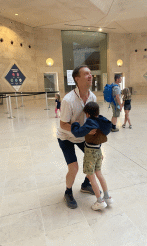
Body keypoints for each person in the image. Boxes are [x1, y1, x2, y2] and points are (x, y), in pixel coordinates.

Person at [57, 65, 97, 209]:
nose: (90, 76)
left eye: (90, 74)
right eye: (86, 74)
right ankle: (68, 192)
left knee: (97, 158)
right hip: (66, 137)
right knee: (74, 167)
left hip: (82, 136)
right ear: (77, 79)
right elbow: (63, 124)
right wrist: (81, 130)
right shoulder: (68, 100)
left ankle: (86, 185)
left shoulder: (92, 97)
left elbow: (92, 118)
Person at [71, 101, 113, 210]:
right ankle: (107, 196)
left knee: (91, 176)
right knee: (99, 173)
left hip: (90, 153)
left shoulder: (90, 123)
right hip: (99, 151)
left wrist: (75, 123)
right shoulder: (102, 120)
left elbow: (77, 133)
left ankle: (100, 201)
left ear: (88, 114)